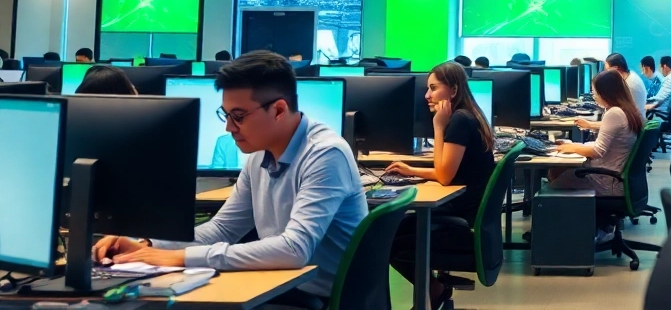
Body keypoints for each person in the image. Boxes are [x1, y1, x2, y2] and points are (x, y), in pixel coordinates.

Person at [92, 51, 367, 304]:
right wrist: (148, 245)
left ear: (279, 110)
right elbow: (222, 229)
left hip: (317, 296)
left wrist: (181, 257)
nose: (229, 127)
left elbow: (294, 249)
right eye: (226, 115)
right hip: (279, 283)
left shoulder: (325, 154)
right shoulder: (260, 154)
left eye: (238, 116)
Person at [386, 62, 497, 307]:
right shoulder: (469, 115)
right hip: (464, 212)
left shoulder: (459, 121)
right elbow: (446, 170)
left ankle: (434, 291)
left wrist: (438, 127)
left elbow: (445, 175)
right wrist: (412, 170)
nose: (427, 95)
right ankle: (435, 291)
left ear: (454, 90)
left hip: (461, 222)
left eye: (434, 88)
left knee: (385, 237)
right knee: (395, 229)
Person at [548, 69, 643, 199]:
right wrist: (578, 146)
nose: (594, 96)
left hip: (606, 182)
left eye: (595, 92)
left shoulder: (614, 113)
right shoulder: (626, 110)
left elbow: (597, 151)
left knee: (555, 173)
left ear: (606, 93)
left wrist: (569, 147)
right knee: (562, 170)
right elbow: (609, 145)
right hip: (614, 177)